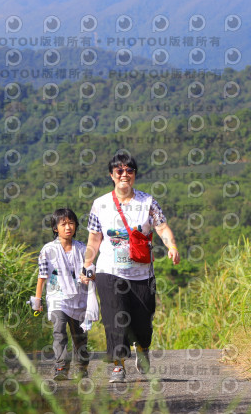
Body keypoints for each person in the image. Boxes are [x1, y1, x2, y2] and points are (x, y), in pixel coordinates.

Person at [80, 152, 180, 383]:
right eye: (119, 171)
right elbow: (94, 238)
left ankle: (142, 350)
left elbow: (162, 227)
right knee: (115, 318)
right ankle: (118, 365)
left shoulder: (147, 202)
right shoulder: (100, 204)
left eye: (129, 170)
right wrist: (87, 264)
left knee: (143, 321)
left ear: (134, 174)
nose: (125, 174)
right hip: (109, 270)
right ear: (111, 175)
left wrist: (172, 246)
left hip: (142, 272)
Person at [32, 208, 90, 380]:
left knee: (79, 336)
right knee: (59, 331)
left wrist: (89, 276)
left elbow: (91, 271)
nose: (68, 227)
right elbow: (42, 276)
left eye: (71, 223)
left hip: (79, 297)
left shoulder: (82, 249)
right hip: (57, 296)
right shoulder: (48, 250)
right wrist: (37, 300)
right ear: (55, 228)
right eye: (63, 224)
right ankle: (61, 367)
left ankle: (81, 367)